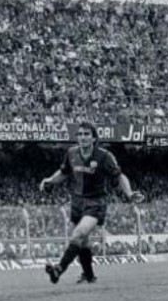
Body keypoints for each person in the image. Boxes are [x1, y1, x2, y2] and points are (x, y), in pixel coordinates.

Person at [39, 121, 144, 285]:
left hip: (96, 202)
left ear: (94, 138)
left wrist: (129, 193)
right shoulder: (71, 153)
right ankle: (89, 276)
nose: (83, 137)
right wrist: (50, 181)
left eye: (87, 134)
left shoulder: (104, 156)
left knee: (78, 234)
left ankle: (59, 269)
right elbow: (64, 172)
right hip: (77, 202)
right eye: (80, 134)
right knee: (83, 242)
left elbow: (119, 176)